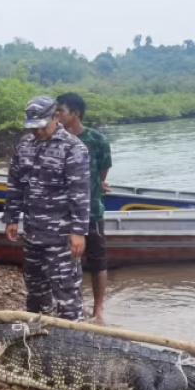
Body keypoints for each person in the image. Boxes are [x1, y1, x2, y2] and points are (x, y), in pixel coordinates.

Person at [3, 96, 90, 321]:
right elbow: (15, 183)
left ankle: (74, 344)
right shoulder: (25, 145)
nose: (37, 132)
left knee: (67, 294)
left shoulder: (73, 148)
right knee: (35, 293)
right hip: (33, 234)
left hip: (61, 237)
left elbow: (79, 194)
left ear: (56, 117)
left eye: (42, 126)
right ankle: (38, 342)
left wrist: (78, 232)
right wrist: (11, 218)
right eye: (33, 127)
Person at [57, 92, 112, 323]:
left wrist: (97, 186)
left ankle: (99, 309)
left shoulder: (97, 140)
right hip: (63, 212)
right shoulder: (55, 139)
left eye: (61, 111)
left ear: (75, 114)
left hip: (91, 211)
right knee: (68, 260)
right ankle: (75, 306)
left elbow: (101, 174)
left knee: (97, 259)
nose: (57, 115)